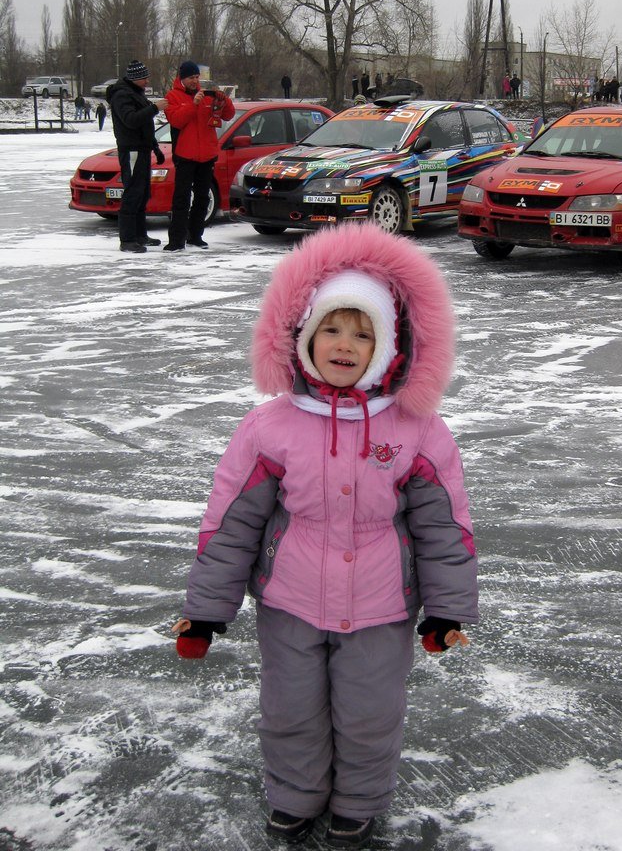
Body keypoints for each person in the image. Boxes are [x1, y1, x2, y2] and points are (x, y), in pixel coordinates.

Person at [172, 222, 478, 848]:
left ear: (390, 347)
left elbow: (444, 526)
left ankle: (359, 804)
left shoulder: (417, 429)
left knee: (369, 716)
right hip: (290, 604)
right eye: (332, 328)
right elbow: (231, 524)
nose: (345, 344)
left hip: (381, 608)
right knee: (291, 712)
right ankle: (295, 796)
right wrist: (206, 611)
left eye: (363, 333)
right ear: (304, 335)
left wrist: (446, 608)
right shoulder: (270, 428)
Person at [164, 60, 235, 251]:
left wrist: (223, 100)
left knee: (202, 198)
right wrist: (193, 104)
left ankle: (195, 235)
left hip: (207, 154)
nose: (195, 81)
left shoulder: (206, 95)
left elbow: (228, 115)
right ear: (182, 79)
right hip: (185, 154)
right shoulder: (173, 96)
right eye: (191, 78)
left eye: (197, 77)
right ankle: (176, 239)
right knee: (182, 198)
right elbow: (176, 121)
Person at [107, 60, 168, 253]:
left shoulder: (136, 94)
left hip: (142, 149)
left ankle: (140, 235)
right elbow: (131, 120)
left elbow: (145, 126)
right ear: (135, 78)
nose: (147, 81)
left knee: (142, 194)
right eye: (144, 78)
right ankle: (127, 239)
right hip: (131, 150)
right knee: (132, 193)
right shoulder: (121, 95)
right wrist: (155, 108)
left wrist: (155, 148)